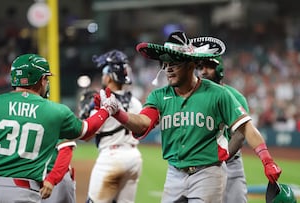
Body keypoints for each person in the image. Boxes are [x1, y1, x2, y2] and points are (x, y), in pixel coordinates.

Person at [105, 31, 282, 202]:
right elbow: (143, 123)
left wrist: (267, 160)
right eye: (165, 64)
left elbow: (246, 128)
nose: (168, 69)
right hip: (174, 173)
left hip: (208, 173)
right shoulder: (158, 96)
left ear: (190, 65)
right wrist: (118, 113)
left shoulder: (218, 94)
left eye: (174, 63)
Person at [0, 53, 119, 203]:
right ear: (42, 80)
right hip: (23, 192)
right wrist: (106, 110)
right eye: (47, 78)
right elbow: (87, 129)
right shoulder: (55, 111)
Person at [80, 50, 143, 203]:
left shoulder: (103, 101)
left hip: (111, 158)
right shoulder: (136, 102)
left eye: (104, 73)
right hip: (134, 158)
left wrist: (85, 114)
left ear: (109, 76)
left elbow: (87, 136)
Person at [197, 56, 248, 203]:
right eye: (200, 67)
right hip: (201, 164)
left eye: (208, 66)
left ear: (219, 69)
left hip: (230, 162)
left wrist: (221, 160)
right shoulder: (193, 97)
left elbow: (239, 136)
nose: (203, 71)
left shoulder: (236, 97)